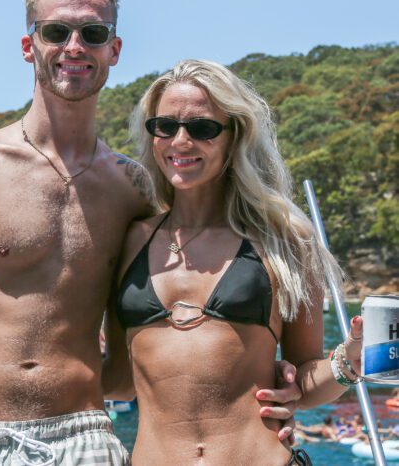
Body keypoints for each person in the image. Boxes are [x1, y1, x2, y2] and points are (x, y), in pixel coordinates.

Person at [0, 0, 300, 465]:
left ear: (114, 49)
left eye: (93, 33)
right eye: (55, 32)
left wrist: (274, 385)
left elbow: (182, 312)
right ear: (29, 45)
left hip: (89, 436)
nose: (74, 46)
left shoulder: (133, 189)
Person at [112, 59, 363, 465]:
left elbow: (303, 380)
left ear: (234, 138)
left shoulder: (284, 240)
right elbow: (120, 381)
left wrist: (349, 361)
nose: (180, 141)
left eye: (202, 128)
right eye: (165, 126)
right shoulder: (129, 241)